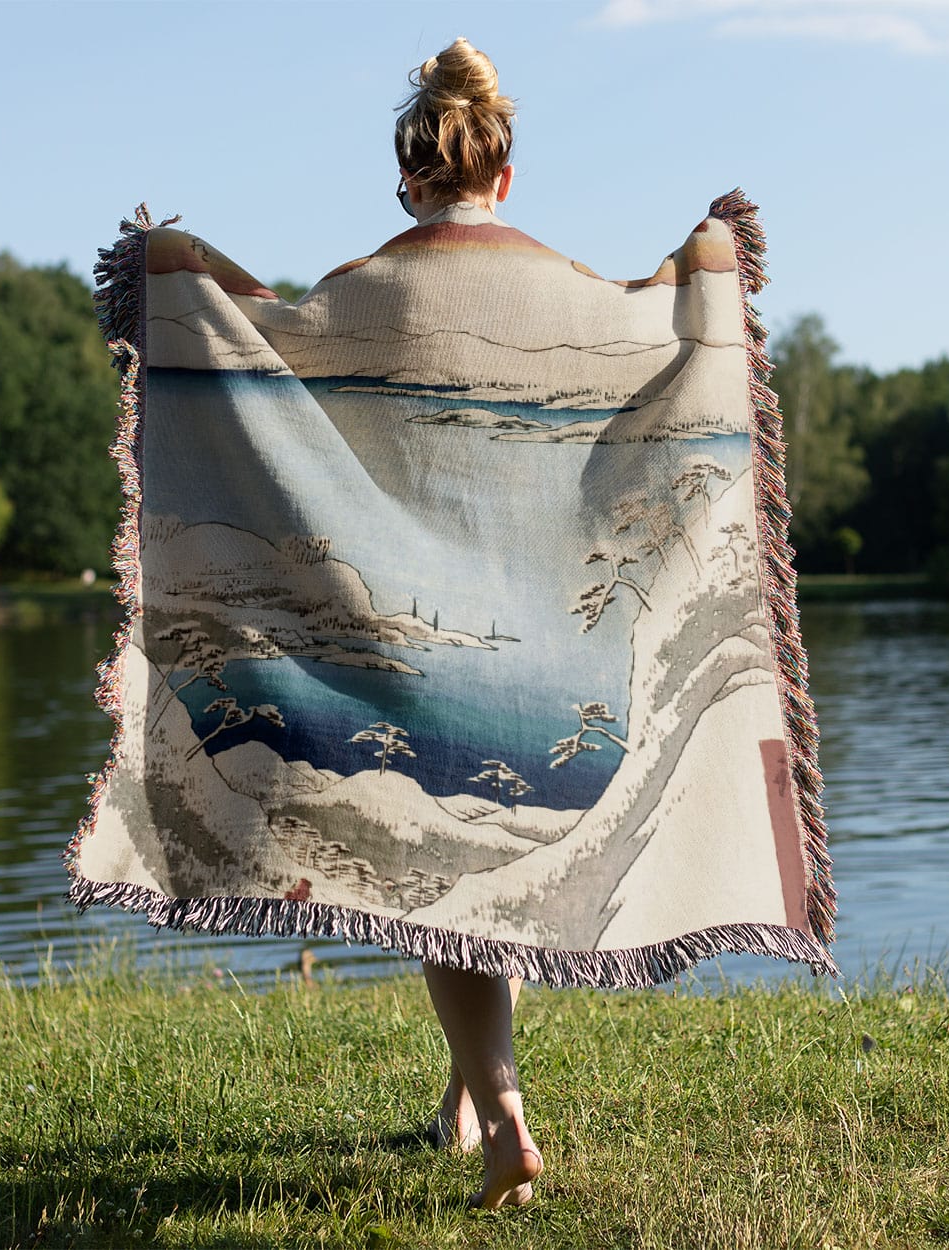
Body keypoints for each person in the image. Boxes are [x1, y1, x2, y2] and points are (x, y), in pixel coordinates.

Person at [391, 37, 543, 1212]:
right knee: (486, 872)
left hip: (416, 632)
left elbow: (266, 364)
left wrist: (190, 274)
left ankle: (503, 1118)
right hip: (543, 639)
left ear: (411, 175)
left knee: (440, 891)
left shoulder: (370, 283)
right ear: (503, 169)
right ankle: (458, 1099)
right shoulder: (559, 284)